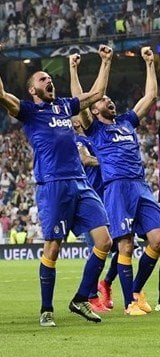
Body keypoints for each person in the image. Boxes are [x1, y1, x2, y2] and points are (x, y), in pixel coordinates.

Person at [0, 42, 114, 327]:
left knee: (104, 241)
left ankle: (81, 297)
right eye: (43, 79)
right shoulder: (30, 112)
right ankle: (46, 308)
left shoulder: (64, 106)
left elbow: (96, 94)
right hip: (53, 184)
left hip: (80, 183)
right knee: (53, 247)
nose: (49, 81)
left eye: (50, 78)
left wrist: (106, 61)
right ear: (33, 90)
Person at [73, 47, 160, 316]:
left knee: (157, 240)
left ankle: (135, 290)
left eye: (110, 99)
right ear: (94, 108)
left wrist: (149, 63)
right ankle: (129, 303)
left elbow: (150, 96)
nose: (108, 101)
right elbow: (80, 101)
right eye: (103, 100)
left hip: (140, 185)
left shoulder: (125, 122)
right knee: (124, 245)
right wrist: (103, 62)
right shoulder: (94, 130)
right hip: (116, 188)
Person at [68, 53, 116, 313]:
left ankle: (100, 289)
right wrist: (107, 163)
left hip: (109, 195)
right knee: (99, 248)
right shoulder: (80, 140)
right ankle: (90, 295)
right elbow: (86, 161)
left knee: (117, 246)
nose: (78, 120)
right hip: (92, 198)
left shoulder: (100, 134)